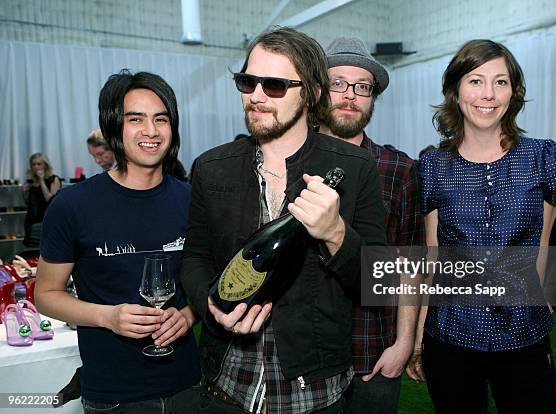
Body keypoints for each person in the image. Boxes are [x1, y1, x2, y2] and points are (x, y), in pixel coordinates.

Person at [181, 27, 387, 414]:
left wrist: (335, 233)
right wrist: (211, 306)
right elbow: (194, 258)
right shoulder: (211, 168)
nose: (256, 96)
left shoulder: (354, 167)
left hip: (314, 391)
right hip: (227, 382)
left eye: (274, 85)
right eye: (248, 82)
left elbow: (378, 279)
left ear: (311, 94)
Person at [35, 70, 201, 413]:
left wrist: (188, 314)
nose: (151, 131)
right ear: (114, 126)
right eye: (135, 119)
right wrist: (108, 317)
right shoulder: (73, 206)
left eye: (161, 119)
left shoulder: (194, 201)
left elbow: (210, 281)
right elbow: (46, 295)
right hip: (113, 395)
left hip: (190, 385)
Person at [415, 39, 556, 413]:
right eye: (476, 80)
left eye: (501, 82)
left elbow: (542, 243)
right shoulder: (433, 165)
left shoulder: (543, 157)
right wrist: (418, 335)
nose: (489, 94)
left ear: (514, 92)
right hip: (450, 334)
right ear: (455, 90)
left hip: (524, 333)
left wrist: (542, 300)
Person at [318, 36, 424, 414]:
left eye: (362, 86)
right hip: (306, 358)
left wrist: (404, 343)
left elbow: (413, 262)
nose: (350, 95)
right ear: (317, 90)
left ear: (372, 97)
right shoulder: (292, 162)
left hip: (375, 352)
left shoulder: (399, 169)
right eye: (337, 83)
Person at [22, 153, 61, 246]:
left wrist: (42, 180)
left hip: (46, 221)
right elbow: (28, 203)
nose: (36, 167)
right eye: (34, 164)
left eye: (39, 164)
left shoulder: (53, 179)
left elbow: (50, 200)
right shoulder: (31, 182)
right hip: (31, 223)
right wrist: (24, 192)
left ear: (45, 165)